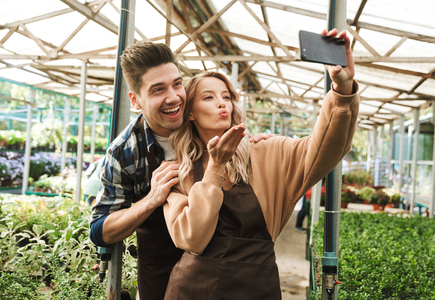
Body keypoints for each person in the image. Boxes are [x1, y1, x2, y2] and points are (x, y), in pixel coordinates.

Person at [162, 28, 359, 299]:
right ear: (191, 113)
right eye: (208, 97)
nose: (222, 103)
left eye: (227, 96)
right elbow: (193, 240)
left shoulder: (267, 152)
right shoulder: (177, 170)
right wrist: (215, 169)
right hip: (193, 290)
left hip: (256, 289)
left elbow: (326, 147)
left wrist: (342, 89)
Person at [89, 42, 272, 300]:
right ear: (135, 100)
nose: (174, 97)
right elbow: (100, 230)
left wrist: (254, 144)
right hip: (161, 275)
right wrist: (151, 200)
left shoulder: (207, 122)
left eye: (177, 84)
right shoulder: (126, 152)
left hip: (227, 271)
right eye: (157, 90)